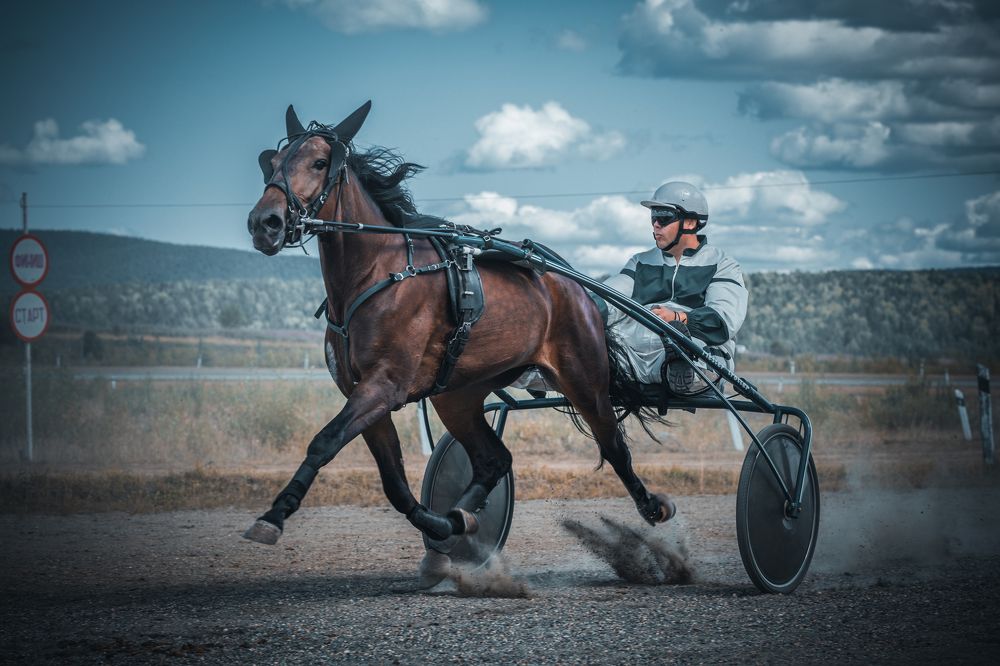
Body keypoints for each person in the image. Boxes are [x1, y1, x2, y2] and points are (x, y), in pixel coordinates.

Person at [603, 181, 748, 395]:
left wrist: (679, 318)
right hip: (634, 356)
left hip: (699, 352)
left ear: (690, 222)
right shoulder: (640, 262)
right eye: (653, 217)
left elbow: (723, 320)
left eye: (663, 217)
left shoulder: (721, 263)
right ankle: (549, 368)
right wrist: (585, 307)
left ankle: (682, 365)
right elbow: (611, 296)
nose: (655, 225)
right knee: (596, 339)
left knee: (684, 342)